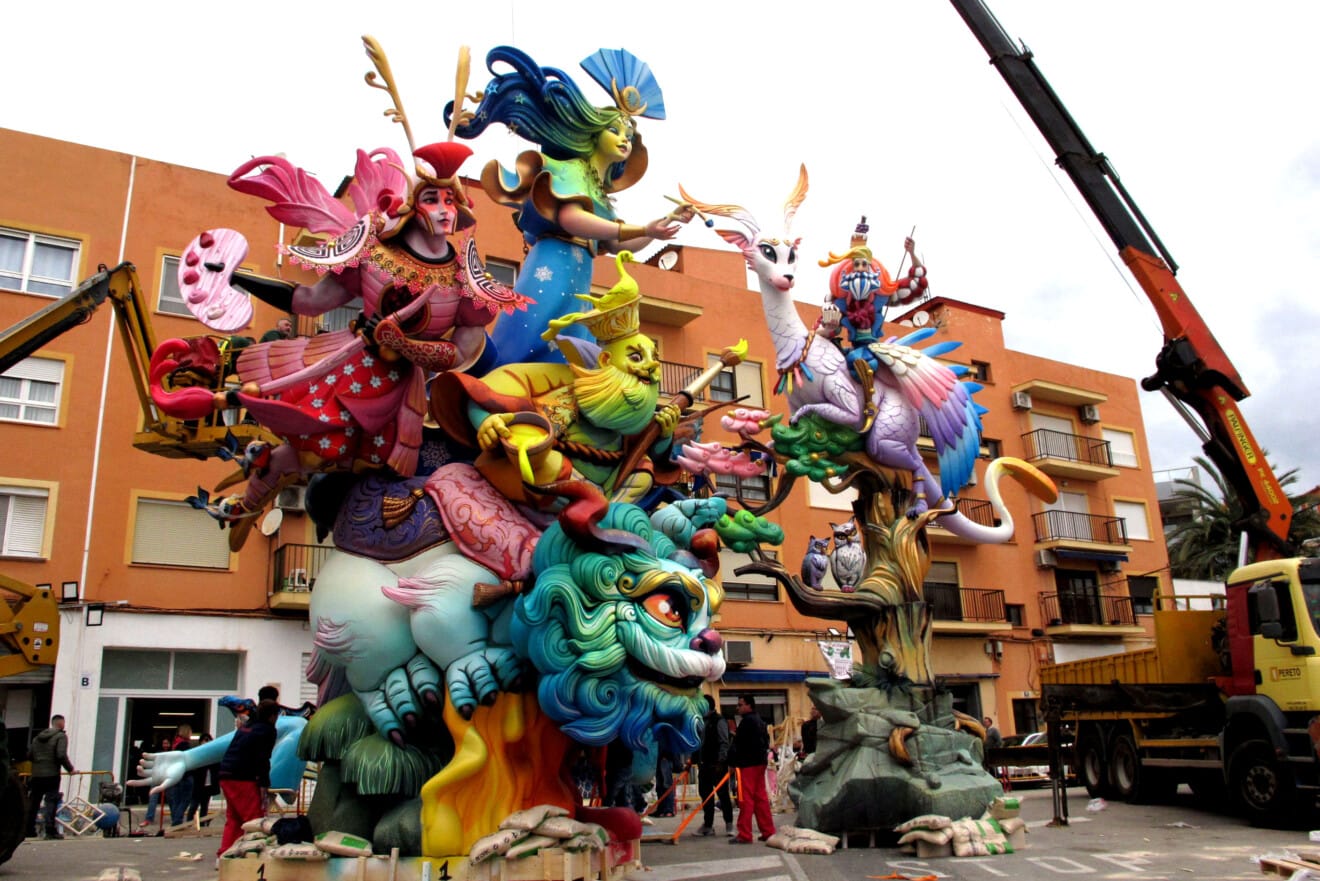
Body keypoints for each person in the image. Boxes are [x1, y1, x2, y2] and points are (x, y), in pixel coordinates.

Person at [448, 46, 691, 366]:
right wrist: (640, 228)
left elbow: (616, 243)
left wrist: (658, 227)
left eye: (628, 135)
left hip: (579, 274)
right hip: (553, 262)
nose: (624, 139)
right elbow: (570, 217)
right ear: (594, 133)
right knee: (533, 334)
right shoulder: (573, 170)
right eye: (615, 130)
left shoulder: (600, 191)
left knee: (572, 349)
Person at [432, 258, 685, 506]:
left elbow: (647, 448)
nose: (652, 366)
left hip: (606, 491)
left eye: (655, 357)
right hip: (551, 482)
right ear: (605, 360)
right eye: (637, 357)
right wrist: (487, 421)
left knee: (643, 470)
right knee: (548, 463)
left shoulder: (629, 413)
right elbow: (486, 394)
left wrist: (664, 434)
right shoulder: (566, 382)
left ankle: (605, 512)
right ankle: (591, 508)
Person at [217, 699, 279, 859]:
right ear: (272, 716)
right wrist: (264, 784)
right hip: (243, 776)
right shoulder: (267, 730)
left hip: (226, 773)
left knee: (234, 818)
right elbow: (263, 758)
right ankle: (253, 855)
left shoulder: (248, 726)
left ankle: (225, 854)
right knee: (254, 819)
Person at [727, 695, 774, 844]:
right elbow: (765, 741)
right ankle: (768, 831)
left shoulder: (746, 722)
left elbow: (738, 744)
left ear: (749, 705)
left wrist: (732, 763)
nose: (738, 708)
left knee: (745, 799)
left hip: (747, 764)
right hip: (760, 763)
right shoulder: (759, 721)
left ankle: (745, 834)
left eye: (740, 705)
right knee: (761, 798)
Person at [26, 714, 75, 839]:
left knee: (33, 803)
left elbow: (30, 755)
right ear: (61, 723)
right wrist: (70, 769)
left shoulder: (37, 738)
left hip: (36, 775)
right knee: (51, 802)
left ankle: (28, 829)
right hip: (52, 774)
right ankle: (50, 830)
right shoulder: (61, 736)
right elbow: (61, 755)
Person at [695, 695, 733, 837]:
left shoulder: (719, 721)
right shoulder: (700, 721)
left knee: (723, 795)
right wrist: (694, 759)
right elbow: (698, 742)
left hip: (717, 765)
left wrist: (721, 761)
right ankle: (708, 825)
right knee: (705, 795)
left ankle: (729, 824)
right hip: (704, 764)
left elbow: (724, 742)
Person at [166, 723, 194, 826]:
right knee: (185, 799)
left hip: (176, 776)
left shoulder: (175, 744)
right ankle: (177, 820)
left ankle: (175, 820)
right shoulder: (185, 745)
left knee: (176, 800)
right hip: (185, 775)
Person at [186, 733, 217, 821]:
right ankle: (189, 822)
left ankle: (202, 823)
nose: (206, 742)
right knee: (194, 805)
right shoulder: (197, 753)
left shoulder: (213, 754)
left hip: (208, 784)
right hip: (198, 784)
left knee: (204, 806)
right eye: (205, 740)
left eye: (208, 740)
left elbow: (216, 767)